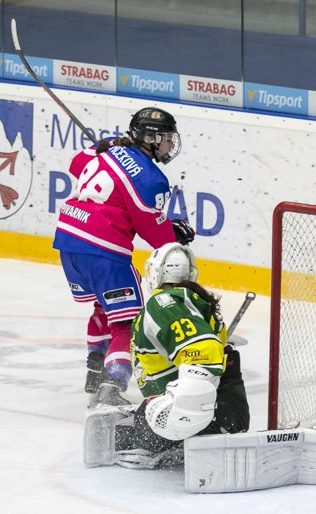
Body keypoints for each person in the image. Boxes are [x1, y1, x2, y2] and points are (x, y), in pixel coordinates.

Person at [53, 107, 195, 407]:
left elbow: (77, 164)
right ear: (150, 139)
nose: (171, 144)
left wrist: (102, 145)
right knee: (128, 322)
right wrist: (175, 233)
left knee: (104, 305)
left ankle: (95, 369)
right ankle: (112, 385)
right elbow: (157, 237)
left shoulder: (104, 152)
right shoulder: (152, 179)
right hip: (103, 250)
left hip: (68, 241)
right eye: (167, 138)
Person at [114, 242, 249, 469]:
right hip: (227, 414)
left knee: (127, 439)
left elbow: (202, 350)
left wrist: (184, 410)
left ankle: (181, 437)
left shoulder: (162, 304)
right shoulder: (195, 304)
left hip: (194, 418)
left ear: (156, 272)